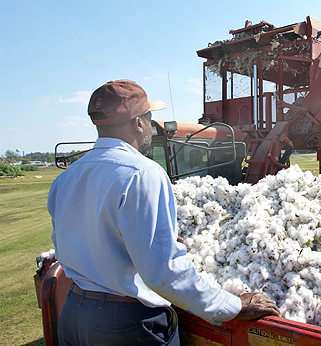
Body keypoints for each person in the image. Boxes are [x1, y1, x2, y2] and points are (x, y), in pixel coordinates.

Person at [47, 79, 279, 345]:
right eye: (149, 118)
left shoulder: (68, 177)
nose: (149, 126)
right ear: (138, 123)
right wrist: (233, 306)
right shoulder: (142, 173)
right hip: (125, 324)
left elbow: (75, 243)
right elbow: (163, 273)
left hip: (74, 313)